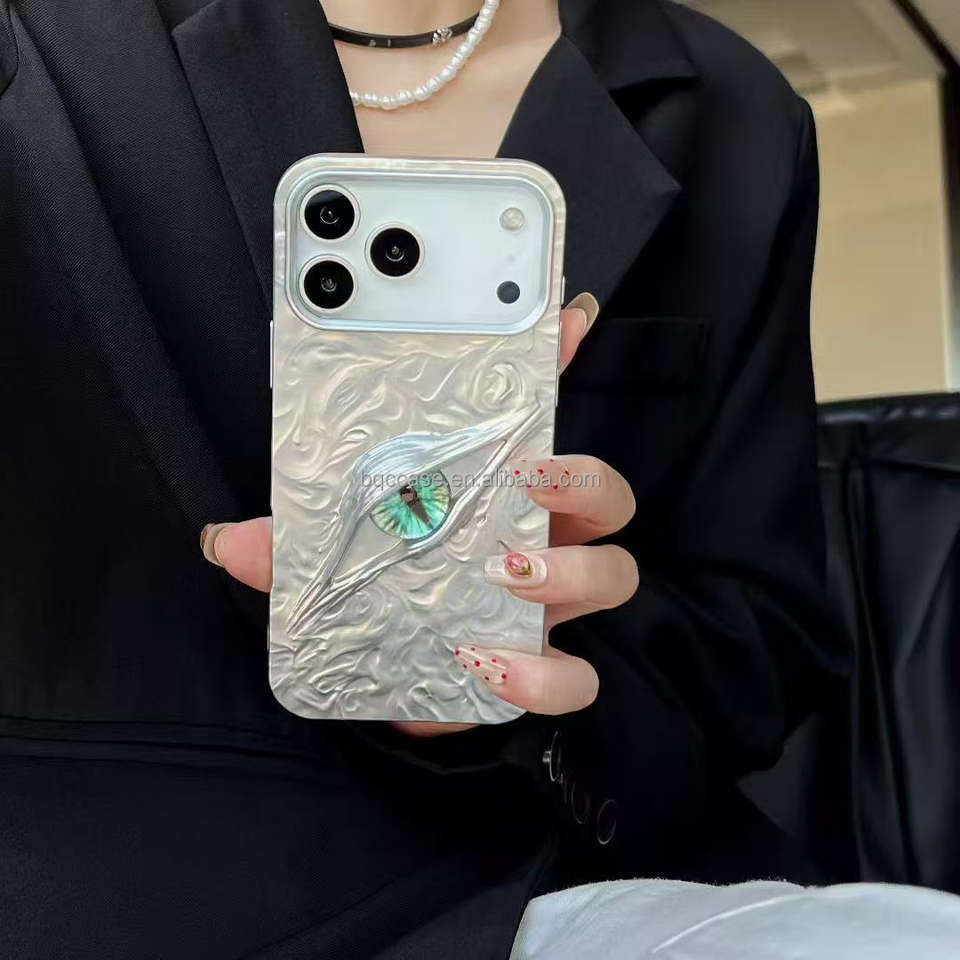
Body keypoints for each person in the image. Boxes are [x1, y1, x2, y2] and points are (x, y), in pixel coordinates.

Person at [0, 1, 847, 957]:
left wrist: (521, 677)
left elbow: (762, 628)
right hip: (122, 879)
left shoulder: (734, 111)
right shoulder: (43, 40)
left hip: (544, 867)